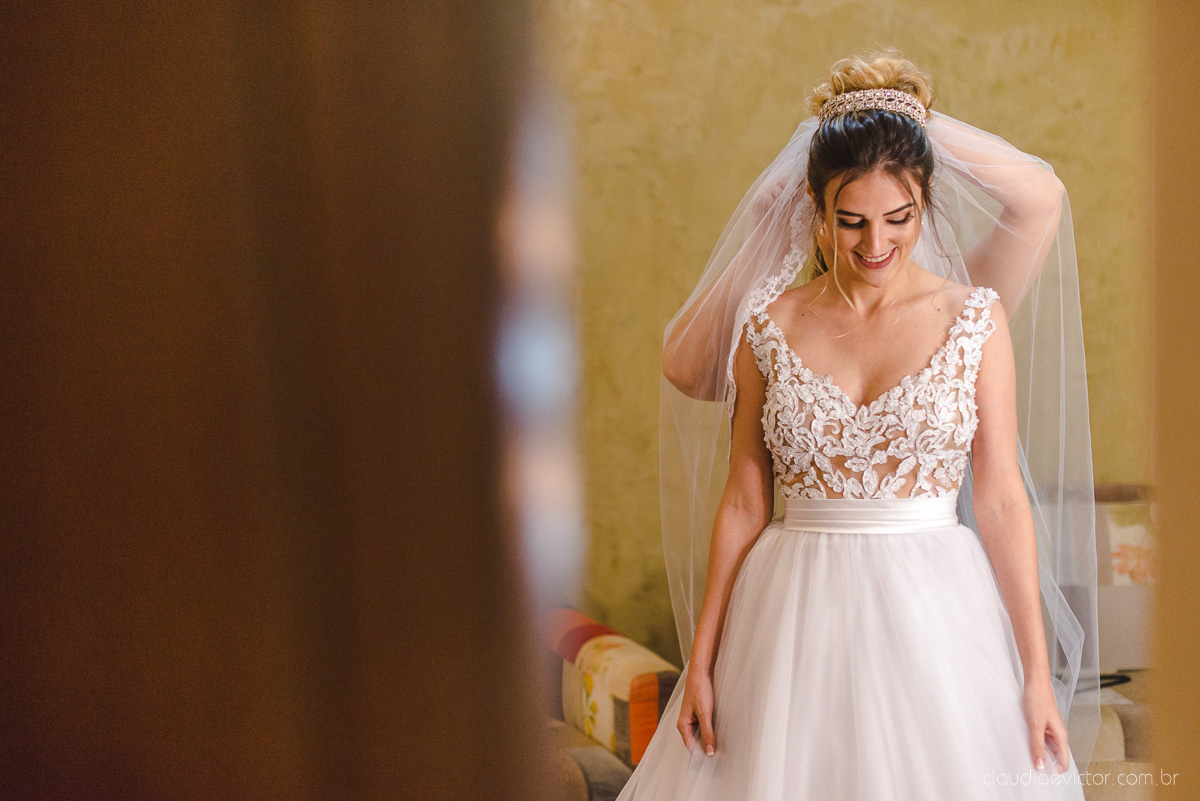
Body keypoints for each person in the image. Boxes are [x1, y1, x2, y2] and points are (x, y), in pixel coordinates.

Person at [623, 52, 1100, 799]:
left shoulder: (973, 317)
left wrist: (1037, 678)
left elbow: (1003, 498)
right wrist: (704, 661)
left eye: (898, 218)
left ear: (926, 203)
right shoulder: (768, 325)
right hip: (787, 620)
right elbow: (745, 499)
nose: (874, 244)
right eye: (850, 221)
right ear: (816, 212)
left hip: (938, 615)